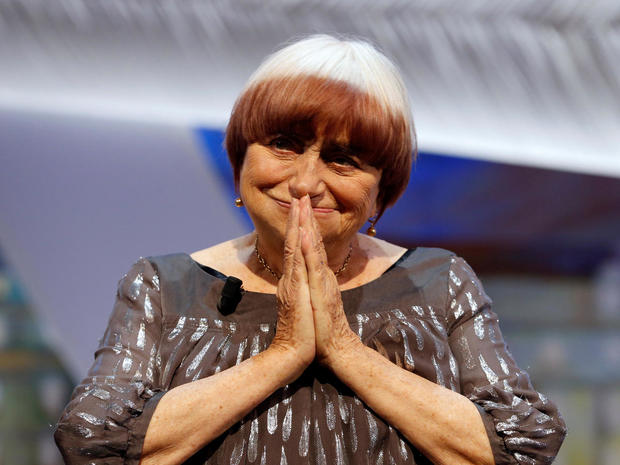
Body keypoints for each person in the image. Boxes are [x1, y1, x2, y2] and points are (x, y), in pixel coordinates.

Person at [55, 35, 566, 465]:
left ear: (380, 194)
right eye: (284, 143)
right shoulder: (161, 287)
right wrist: (284, 354)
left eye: (343, 159)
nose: (306, 182)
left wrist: (342, 348)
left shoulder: (439, 281)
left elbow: (522, 445)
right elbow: (93, 444)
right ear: (239, 162)